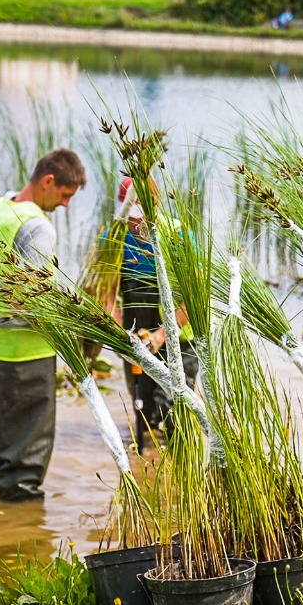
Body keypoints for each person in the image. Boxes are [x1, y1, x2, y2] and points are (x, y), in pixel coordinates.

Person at [0, 149, 87, 501]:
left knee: (2, 450)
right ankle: (21, 541)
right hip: (26, 355)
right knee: (24, 465)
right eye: (65, 195)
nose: (66, 205)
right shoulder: (36, 226)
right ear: (48, 181)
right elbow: (39, 297)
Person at [115, 177, 198, 443]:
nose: (134, 224)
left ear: (156, 205)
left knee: (173, 411)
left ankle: (180, 469)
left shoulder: (178, 237)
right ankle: (148, 472)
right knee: (144, 411)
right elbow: (104, 295)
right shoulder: (114, 239)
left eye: (140, 216)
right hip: (136, 338)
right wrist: (119, 334)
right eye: (130, 216)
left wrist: (162, 336)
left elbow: (193, 300)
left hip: (178, 339)